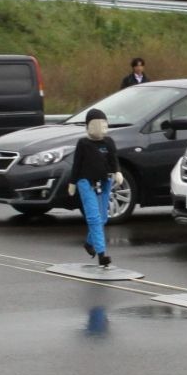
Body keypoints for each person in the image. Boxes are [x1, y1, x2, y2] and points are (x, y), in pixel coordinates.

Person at [67, 108, 122, 268]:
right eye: (95, 125)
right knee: (93, 217)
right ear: (88, 126)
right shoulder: (83, 143)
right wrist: (72, 183)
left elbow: (114, 160)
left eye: (102, 124)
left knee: (103, 218)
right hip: (85, 182)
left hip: (104, 182)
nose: (99, 128)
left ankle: (89, 243)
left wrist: (118, 172)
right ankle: (102, 254)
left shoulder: (109, 142)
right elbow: (76, 165)